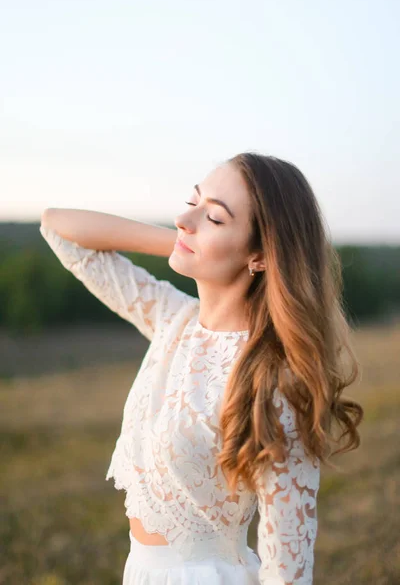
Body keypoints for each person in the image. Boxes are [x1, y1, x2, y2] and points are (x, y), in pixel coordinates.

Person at [40, 152, 363, 584]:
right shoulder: (172, 319)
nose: (183, 218)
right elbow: (58, 227)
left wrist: (196, 246)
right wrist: (185, 242)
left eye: (214, 217)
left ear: (261, 255)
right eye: (192, 201)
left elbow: (287, 571)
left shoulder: (273, 380)